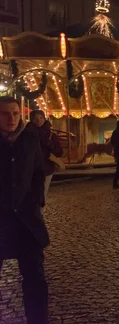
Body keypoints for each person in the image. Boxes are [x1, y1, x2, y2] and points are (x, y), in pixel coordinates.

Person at [0, 96, 49, 323]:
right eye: (5, 114)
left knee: (35, 277)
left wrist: (36, 199)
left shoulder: (30, 139)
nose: (11, 119)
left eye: (15, 114)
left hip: (27, 221)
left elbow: (39, 171)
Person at [25, 110, 63, 206]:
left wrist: (51, 146)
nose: (39, 120)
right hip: (30, 168)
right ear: (32, 120)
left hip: (46, 168)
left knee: (42, 193)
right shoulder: (26, 135)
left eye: (41, 118)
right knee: (30, 193)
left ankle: (39, 215)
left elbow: (59, 153)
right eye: (36, 118)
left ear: (44, 119)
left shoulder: (51, 135)